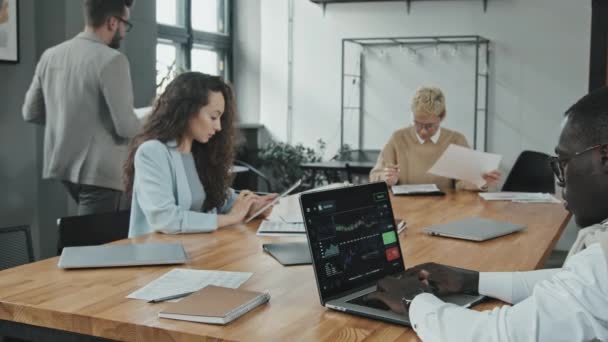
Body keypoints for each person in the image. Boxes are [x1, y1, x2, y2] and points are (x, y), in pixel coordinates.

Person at [365, 86, 608, 341]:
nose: (560, 180)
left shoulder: (599, 268)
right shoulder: (595, 270)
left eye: (564, 163)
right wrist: (474, 280)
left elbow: (494, 335)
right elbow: (569, 280)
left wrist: (412, 298)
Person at [22, 0, 141, 215]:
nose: (124, 31)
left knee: (87, 235)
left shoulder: (51, 55)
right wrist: (153, 117)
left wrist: (68, 117)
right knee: (98, 243)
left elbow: (30, 112)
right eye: (125, 24)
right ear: (112, 22)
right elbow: (126, 128)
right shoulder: (113, 60)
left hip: (64, 167)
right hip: (102, 173)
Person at [124, 72, 277, 237]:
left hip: (198, 249)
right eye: (213, 117)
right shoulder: (152, 152)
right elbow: (165, 219)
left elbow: (218, 199)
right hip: (159, 254)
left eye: (220, 118)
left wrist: (251, 206)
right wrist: (230, 218)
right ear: (187, 111)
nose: (218, 127)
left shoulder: (200, 153)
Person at [369, 86, 500, 191]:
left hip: (445, 211)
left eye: (430, 125)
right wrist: (386, 179)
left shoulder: (456, 140)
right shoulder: (398, 138)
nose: (423, 131)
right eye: (417, 123)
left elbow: (464, 183)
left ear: (442, 116)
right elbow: (374, 176)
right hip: (406, 209)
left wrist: (481, 182)